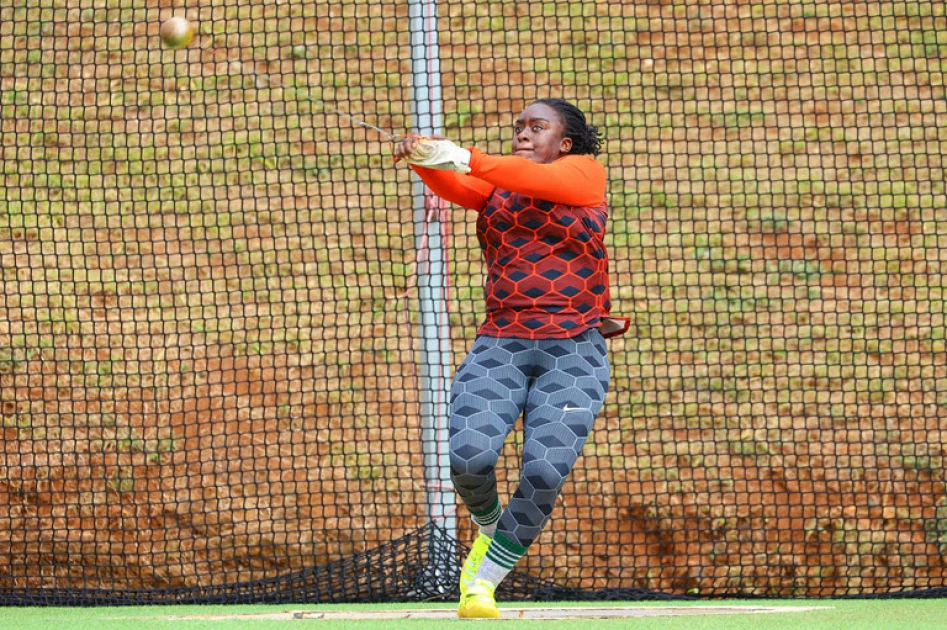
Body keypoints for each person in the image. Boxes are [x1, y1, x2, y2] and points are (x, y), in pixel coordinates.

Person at [394, 98, 628, 619]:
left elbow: (510, 174)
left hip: (574, 350)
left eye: (537, 127)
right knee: (469, 460)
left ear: (564, 143)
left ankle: (482, 582)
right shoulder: (504, 186)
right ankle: (490, 525)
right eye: (519, 126)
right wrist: (423, 157)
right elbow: (459, 184)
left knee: (544, 473)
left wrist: (462, 154)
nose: (523, 132)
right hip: (502, 342)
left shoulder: (585, 174)